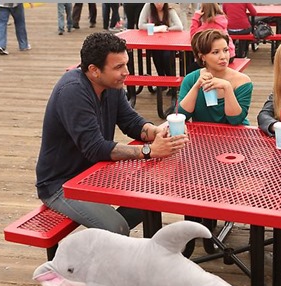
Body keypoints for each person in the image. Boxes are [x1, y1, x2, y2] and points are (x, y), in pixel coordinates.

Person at [35, 32, 188, 236]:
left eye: (126, 64)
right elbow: (96, 148)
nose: (126, 72)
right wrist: (149, 150)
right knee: (117, 227)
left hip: (95, 171)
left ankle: (108, 243)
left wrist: (156, 131)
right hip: (60, 184)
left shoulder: (111, 84)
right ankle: (94, 253)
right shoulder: (73, 91)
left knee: (154, 193)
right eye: (118, 67)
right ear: (94, 70)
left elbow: (130, 121)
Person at [178, 29, 252, 126]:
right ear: (202, 57)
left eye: (226, 50)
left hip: (235, 135)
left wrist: (227, 87)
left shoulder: (243, 81)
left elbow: (235, 120)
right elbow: (181, 115)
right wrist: (196, 86)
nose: (223, 57)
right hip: (202, 134)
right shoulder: (191, 79)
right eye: (215, 52)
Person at [138, 3, 183, 87]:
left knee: (167, 57)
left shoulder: (170, 9)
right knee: (156, 56)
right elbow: (140, 25)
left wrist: (167, 29)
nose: (159, 4)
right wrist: (154, 28)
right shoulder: (148, 6)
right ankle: (162, 80)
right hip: (154, 41)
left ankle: (171, 81)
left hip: (169, 42)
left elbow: (179, 26)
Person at [188, 3, 236, 73]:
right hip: (230, 54)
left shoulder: (211, 22)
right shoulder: (221, 19)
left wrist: (196, 17)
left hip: (220, 56)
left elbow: (194, 35)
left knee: (192, 68)